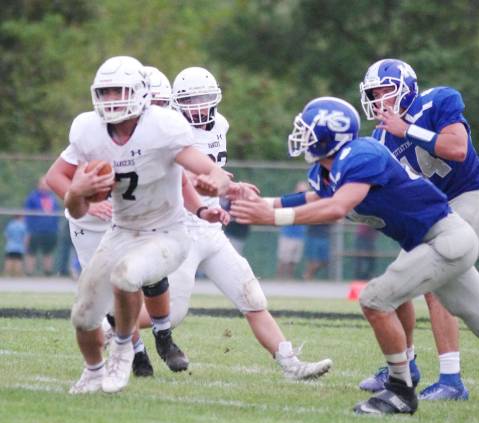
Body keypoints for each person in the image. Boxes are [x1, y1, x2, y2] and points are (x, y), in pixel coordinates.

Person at [230, 96, 479, 415]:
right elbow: (312, 197)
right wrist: (259, 202)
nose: (301, 135)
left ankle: (400, 392)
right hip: (432, 242)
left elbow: (337, 206)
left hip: (446, 237)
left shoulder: (362, 153)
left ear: (331, 134)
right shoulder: (330, 169)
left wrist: (270, 218)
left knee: (375, 299)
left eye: (308, 129)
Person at [45, 55, 231, 395]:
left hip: (167, 231)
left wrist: (217, 182)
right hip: (122, 230)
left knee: (127, 275)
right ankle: (92, 370)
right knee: (83, 316)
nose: (112, 100)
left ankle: (122, 347)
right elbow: (73, 204)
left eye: (119, 91)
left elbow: (200, 166)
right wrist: (79, 193)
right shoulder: (89, 130)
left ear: (140, 93)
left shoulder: (162, 125)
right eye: (105, 92)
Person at [166, 66, 332, 380]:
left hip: (212, 230)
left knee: (252, 297)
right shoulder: (172, 131)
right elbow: (187, 180)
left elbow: (214, 174)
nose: (199, 106)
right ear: (177, 102)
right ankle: (113, 332)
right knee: (172, 313)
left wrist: (234, 186)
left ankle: (290, 364)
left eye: (205, 98)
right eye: (191, 99)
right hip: (180, 227)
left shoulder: (221, 125)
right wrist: (227, 189)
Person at [357, 58, 479, 400]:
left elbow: (457, 148)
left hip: (472, 200)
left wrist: (406, 130)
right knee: (398, 279)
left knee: (436, 280)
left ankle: (451, 380)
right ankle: (406, 365)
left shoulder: (437, 101)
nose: (379, 102)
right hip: (434, 216)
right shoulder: (379, 138)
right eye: (373, 95)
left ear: (406, 88)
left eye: (386, 92)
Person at [23, 177, 61, 275]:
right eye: (42, 183)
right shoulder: (32, 197)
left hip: (50, 231)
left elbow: (56, 215)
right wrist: (28, 231)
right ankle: (29, 274)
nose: (44, 186)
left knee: (48, 253)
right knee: (31, 253)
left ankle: (48, 274)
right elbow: (27, 215)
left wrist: (55, 228)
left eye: (46, 184)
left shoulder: (53, 198)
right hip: (35, 231)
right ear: (38, 185)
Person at [276, 181, 307, 279]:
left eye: (304, 192)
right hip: (287, 234)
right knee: (284, 259)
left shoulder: (307, 202)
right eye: (300, 191)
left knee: (293, 260)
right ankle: (279, 279)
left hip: (299, 235)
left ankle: (289, 279)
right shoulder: (290, 200)